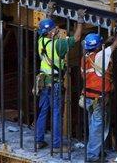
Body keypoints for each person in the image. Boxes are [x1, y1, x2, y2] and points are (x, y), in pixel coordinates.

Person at [35, 11, 85, 151]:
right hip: (55, 82)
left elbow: (47, 27)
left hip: (43, 81)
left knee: (43, 110)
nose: (56, 30)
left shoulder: (40, 41)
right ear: (51, 32)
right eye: (54, 29)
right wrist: (80, 20)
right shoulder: (58, 45)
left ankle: (38, 141)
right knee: (56, 112)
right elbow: (77, 37)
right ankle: (56, 145)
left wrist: (49, 13)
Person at [80, 32, 117, 162]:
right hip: (98, 99)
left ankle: (96, 151)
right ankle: (92, 156)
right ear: (98, 46)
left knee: (93, 126)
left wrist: (104, 42)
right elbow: (116, 44)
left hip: (88, 97)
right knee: (98, 128)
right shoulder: (101, 55)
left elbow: (97, 52)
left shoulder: (85, 57)